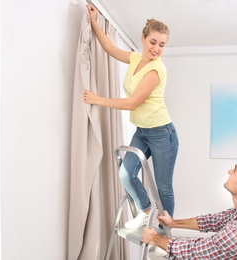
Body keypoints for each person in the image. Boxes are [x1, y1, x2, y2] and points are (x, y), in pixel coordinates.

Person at [84, 5, 179, 230]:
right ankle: (145, 211)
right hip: (143, 131)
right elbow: (108, 47)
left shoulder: (156, 70)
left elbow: (132, 103)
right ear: (143, 38)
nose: (157, 48)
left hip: (162, 133)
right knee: (126, 174)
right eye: (153, 42)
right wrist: (94, 20)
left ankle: (164, 234)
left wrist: (97, 99)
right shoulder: (136, 59)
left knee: (163, 187)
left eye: (162, 45)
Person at [142, 154, 237, 259]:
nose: (229, 170)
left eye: (235, 170)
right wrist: (173, 223)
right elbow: (213, 220)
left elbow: (197, 251)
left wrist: (156, 239)